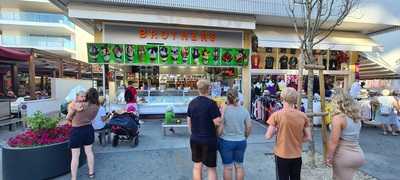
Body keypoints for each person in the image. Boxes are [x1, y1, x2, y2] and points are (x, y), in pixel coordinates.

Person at [265, 87, 312, 180]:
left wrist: (277, 131)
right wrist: (297, 140)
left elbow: (268, 136)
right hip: (297, 154)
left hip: (282, 154)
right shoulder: (303, 116)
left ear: (282, 98)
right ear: (295, 99)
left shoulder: (276, 115)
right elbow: (308, 137)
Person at [326, 89, 366, 180]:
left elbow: (334, 141)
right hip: (357, 153)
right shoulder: (356, 117)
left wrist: (329, 156)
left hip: (343, 154)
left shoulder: (338, 118)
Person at [187, 79, 222, 180]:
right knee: (211, 168)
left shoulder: (192, 103)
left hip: (195, 138)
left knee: (197, 166)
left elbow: (189, 121)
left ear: (198, 89)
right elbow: (217, 122)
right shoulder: (212, 104)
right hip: (209, 139)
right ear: (209, 89)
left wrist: (192, 133)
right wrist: (222, 114)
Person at [217, 88, 252, 180]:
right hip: (241, 141)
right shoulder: (244, 110)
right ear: (237, 96)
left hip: (226, 141)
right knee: (239, 166)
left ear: (227, 98)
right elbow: (249, 127)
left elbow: (220, 127)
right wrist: (245, 136)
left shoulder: (224, 110)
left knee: (228, 167)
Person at [66, 88, 100, 180]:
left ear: (87, 95)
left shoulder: (79, 105)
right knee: (89, 152)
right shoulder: (97, 106)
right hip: (88, 129)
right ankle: (91, 173)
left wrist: (71, 114)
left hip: (77, 130)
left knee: (75, 156)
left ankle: (74, 178)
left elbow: (68, 117)